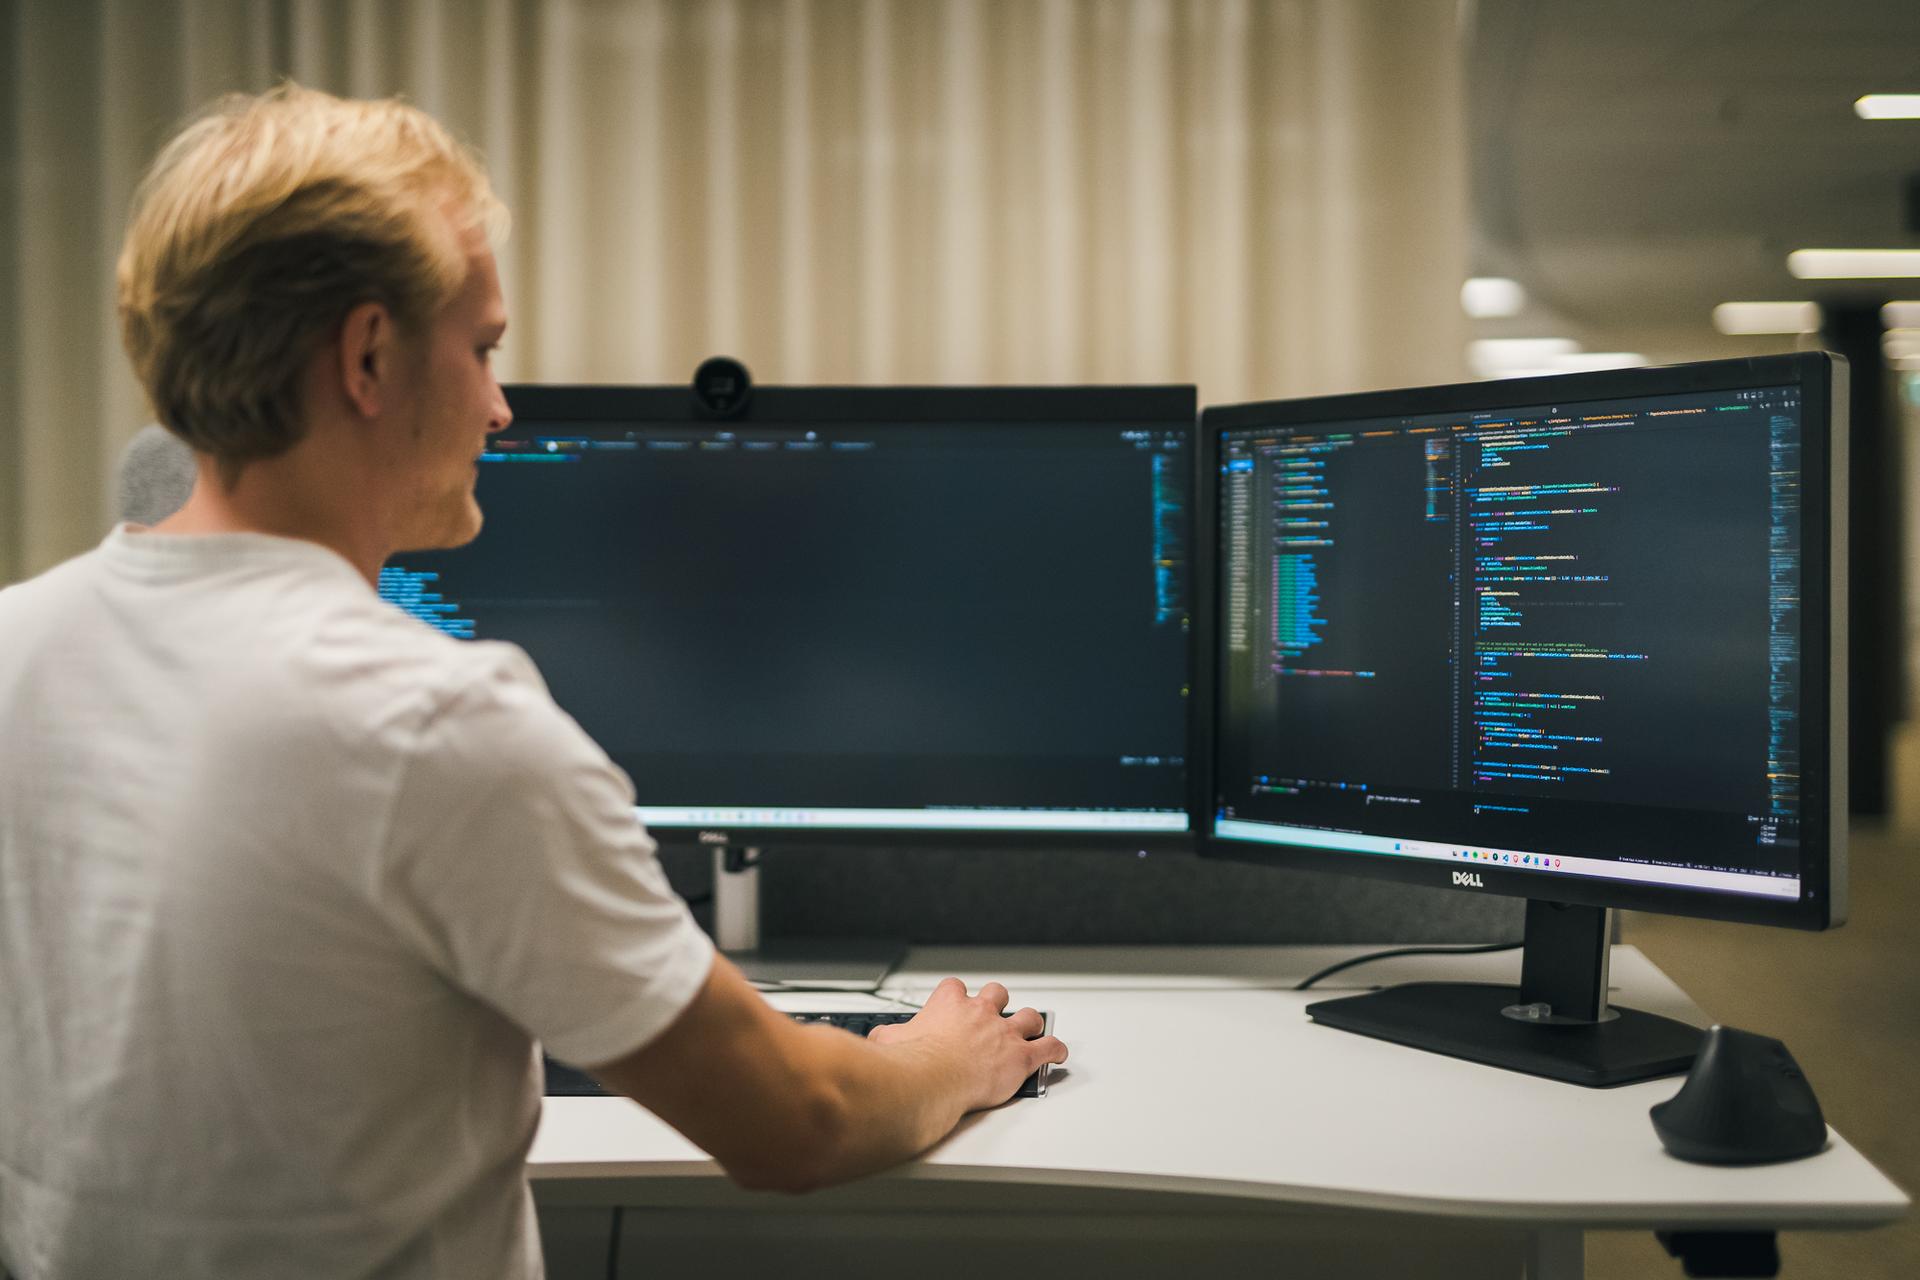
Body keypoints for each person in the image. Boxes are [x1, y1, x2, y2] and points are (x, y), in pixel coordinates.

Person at [0, 83, 1065, 1279]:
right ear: (367, 355)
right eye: (484, 347)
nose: (503, 407)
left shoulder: (13, 646)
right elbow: (797, 1123)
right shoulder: (434, 718)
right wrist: (953, 1053)